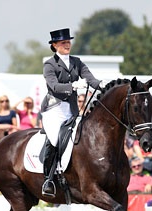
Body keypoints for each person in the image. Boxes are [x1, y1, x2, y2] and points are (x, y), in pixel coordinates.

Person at [40, 28, 101, 197]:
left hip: (72, 109)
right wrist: (73, 86)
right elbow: (54, 86)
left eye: (68, 42)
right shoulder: (49, 65)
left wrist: (105, 87)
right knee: (55, 139)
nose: (67, 45)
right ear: (54, 45)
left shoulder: (77, 61)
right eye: (63, 43)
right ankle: (48, 178)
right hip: (54, 109)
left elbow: (91, 79)